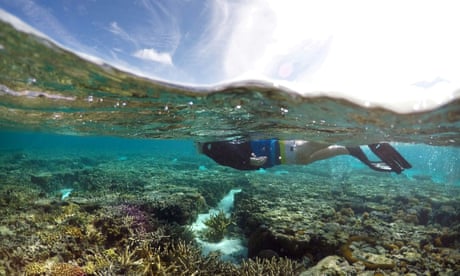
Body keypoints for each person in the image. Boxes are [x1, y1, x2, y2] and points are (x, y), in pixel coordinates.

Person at [197, 139, 412, 174]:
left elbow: (232, 153)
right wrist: (248, 163)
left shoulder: (213, 145)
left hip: (278, 150)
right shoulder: (210, 149)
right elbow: (233, 160)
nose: (194, 144)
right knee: (305, 159)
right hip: (277, 156)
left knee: (303, 153)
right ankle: (351, 149)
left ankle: (353, 138)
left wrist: (248, 161)